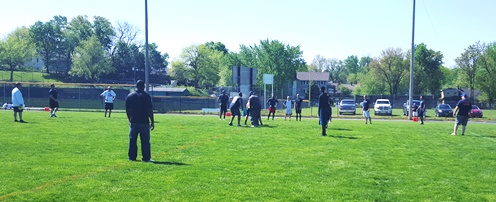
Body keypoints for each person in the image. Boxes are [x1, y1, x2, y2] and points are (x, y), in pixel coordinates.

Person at [126, 80, 155, 162]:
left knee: (132, 140)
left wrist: (130, 119)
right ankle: (146, 157)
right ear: (144, 86)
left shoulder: (130, 96)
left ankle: (132, 157)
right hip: (144, 121)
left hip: (134, 121)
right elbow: (150, 110)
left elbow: (127, 109)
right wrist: (152, 121)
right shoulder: (146, 96)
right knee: (145, 141)